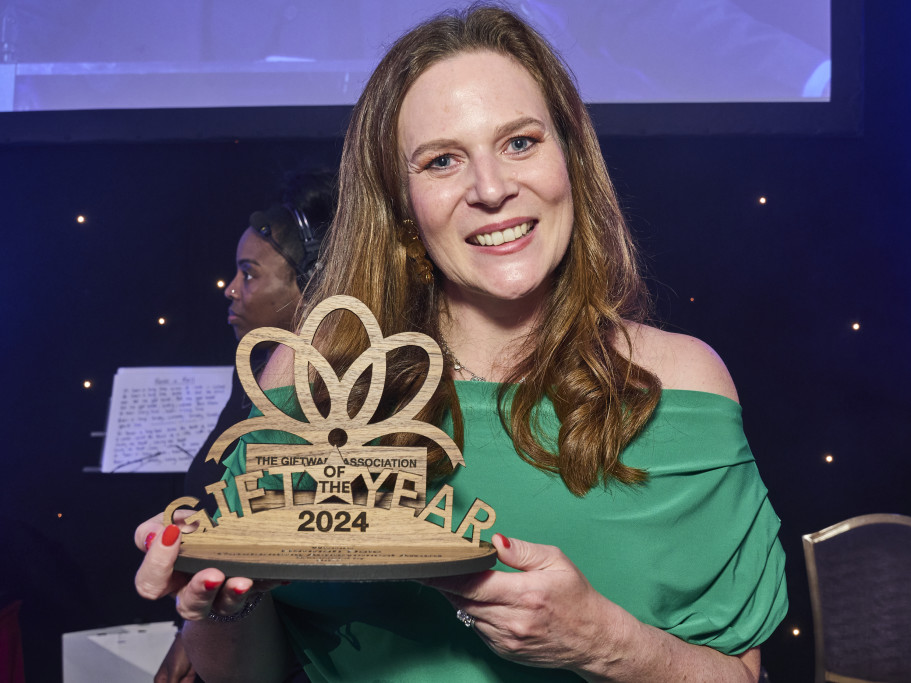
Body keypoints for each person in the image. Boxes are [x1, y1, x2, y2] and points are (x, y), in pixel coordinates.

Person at [135, 6, 788, 682]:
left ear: (570, 157)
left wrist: (602, 640)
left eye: (520, 142)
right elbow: (249, 673)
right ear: (400, 203)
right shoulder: (310, 377)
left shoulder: (684, 384)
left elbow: (738, 674)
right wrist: (215, 604)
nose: (492, 188)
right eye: (443, 159)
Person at [153, 168, 336, 683]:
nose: (231, 290)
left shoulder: (341, 402)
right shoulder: (253, 374)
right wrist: (193, 628)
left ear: (315, 282)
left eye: (249, 274)